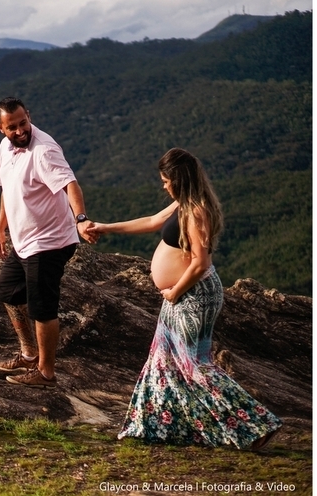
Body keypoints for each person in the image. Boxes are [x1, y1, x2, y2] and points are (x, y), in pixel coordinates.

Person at [88, 148, 282, 450]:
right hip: (180, 295)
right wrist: (105, 227)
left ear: (179, 180)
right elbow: (152, 221)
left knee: (194, 366)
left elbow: (200, 263)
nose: (164, 186)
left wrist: (175, 291)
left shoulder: (196, 210)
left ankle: (256, 425)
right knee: (163, 360)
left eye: (167, 181)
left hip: (193, 296)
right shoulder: (183, 203)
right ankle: (158, 427)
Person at [0, 97, 96, 388]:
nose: (21, 130)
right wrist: (1, 230)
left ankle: (45, 372)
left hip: (51, 242)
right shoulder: (5, 148)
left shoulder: (44, 150)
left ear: (29, 117)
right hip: (24, 241)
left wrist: (82, 218)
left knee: (42, 308)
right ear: (1, 128)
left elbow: (69, 184)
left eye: (24, 123)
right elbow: (7, 191)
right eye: (12, 127)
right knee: (8, 293)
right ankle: (28, 354)